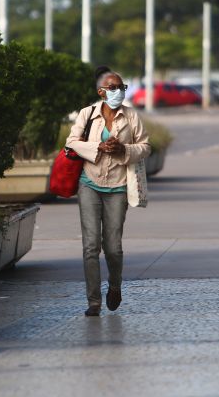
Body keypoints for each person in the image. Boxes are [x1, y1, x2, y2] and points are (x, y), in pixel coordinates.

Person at [66, 66, 151, 317]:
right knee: (90, 246)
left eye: (122, 88)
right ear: (101, 91)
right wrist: (99, 147)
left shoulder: (131, 117)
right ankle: (93, 301)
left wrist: (123, 150)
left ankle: (115, 286)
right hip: (89, 184)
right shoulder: (87, 114)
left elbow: (145, 146)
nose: (118, 92)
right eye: (113, 88)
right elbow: (71, 143)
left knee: (112, 247)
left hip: (118, 187)